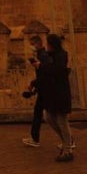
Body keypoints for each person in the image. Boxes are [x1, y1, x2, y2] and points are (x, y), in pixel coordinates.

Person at [37, 33, 75, 162]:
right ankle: (67, 142)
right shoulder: (51, 56)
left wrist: (41, 66)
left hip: (60, 94)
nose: (47, 46)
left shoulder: (61, 55)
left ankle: (68, 150)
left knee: (62, 122)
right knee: (49, 118)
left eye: (48, 44)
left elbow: (56, 71)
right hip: (52, 95)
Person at [21, 34, 47, 148]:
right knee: (41, 114)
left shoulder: (42, 56)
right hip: (42, 90)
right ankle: (34, 138)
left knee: (55, 118)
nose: (31, 47)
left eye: (32, 44)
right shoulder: (40, 55)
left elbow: (44, 75)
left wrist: (33, 84)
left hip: (46, 91)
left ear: (37, 44)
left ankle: (69, 141)